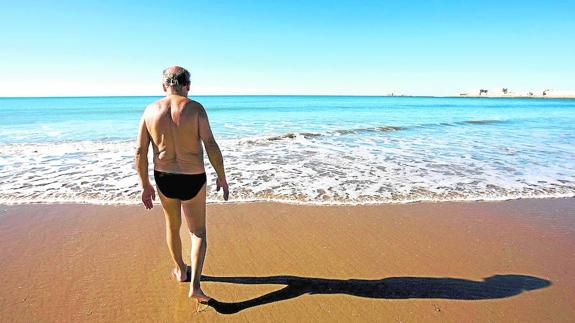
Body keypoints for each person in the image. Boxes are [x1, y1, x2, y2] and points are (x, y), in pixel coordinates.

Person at [135, 66, 229, 304]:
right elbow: (211, 145)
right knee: (198, 232)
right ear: (188, 85)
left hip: (164, 177)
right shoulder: (195, 108)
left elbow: (140, 151)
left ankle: (180, 270)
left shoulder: (149, 111)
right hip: (193, 177)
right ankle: (195, 286)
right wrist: (222, 176)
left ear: (164, 86)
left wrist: (145, 185)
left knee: (172, 226)